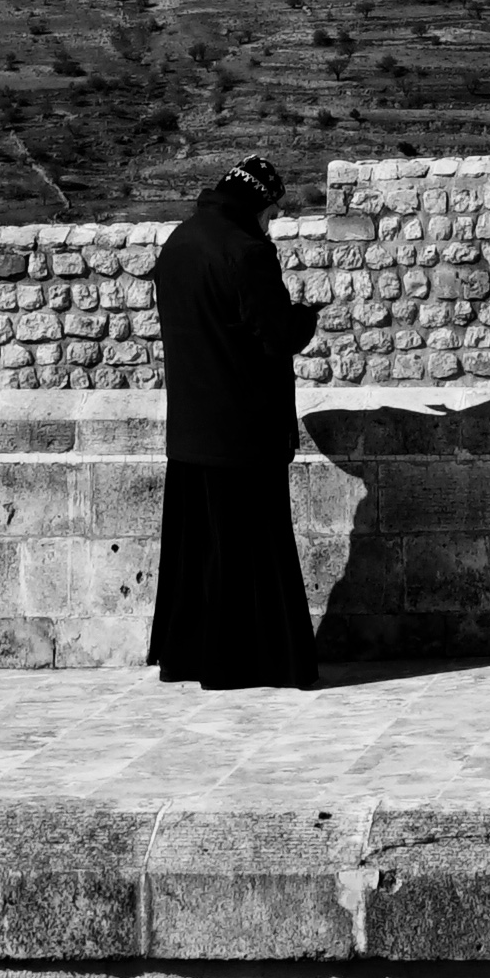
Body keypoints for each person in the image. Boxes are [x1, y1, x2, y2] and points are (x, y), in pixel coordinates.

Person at [147, 154, 320, 689]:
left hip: (190, 433)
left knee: (198, 554)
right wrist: (306, 317)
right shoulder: (246, 251)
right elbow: (276, 335)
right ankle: (248, 663)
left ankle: (193, 657)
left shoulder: (179, 242)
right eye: (272, 211)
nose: (271, 223)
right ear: (256, 202)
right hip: (243, 433)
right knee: (253, 552)